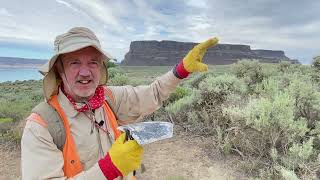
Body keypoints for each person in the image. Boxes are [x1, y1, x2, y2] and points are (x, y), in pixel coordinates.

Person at [21, 27, 218, 180]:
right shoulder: (42, 126)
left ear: (101, 67)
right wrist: (108, 169)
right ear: (59, 70)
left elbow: (153, 93)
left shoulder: (108, 98)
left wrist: (181, 70)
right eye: (74, 62)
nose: (85, 72)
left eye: (93, 62)